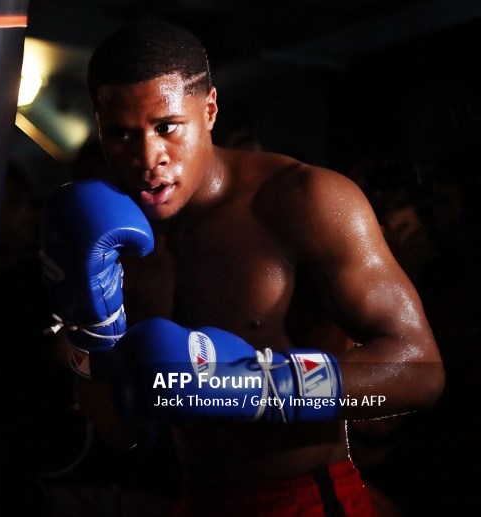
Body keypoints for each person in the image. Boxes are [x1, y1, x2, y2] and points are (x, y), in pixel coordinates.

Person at [39, 21, 445, 516]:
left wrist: (257, 385)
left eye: (167, 126)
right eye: (122, 134)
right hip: (196, 501)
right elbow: (117, 429)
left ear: (209, 110)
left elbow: (421, 373)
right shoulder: (105, 233)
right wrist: (90, 337)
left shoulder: (305, 200)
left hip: (305, 498)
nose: (148, 157)